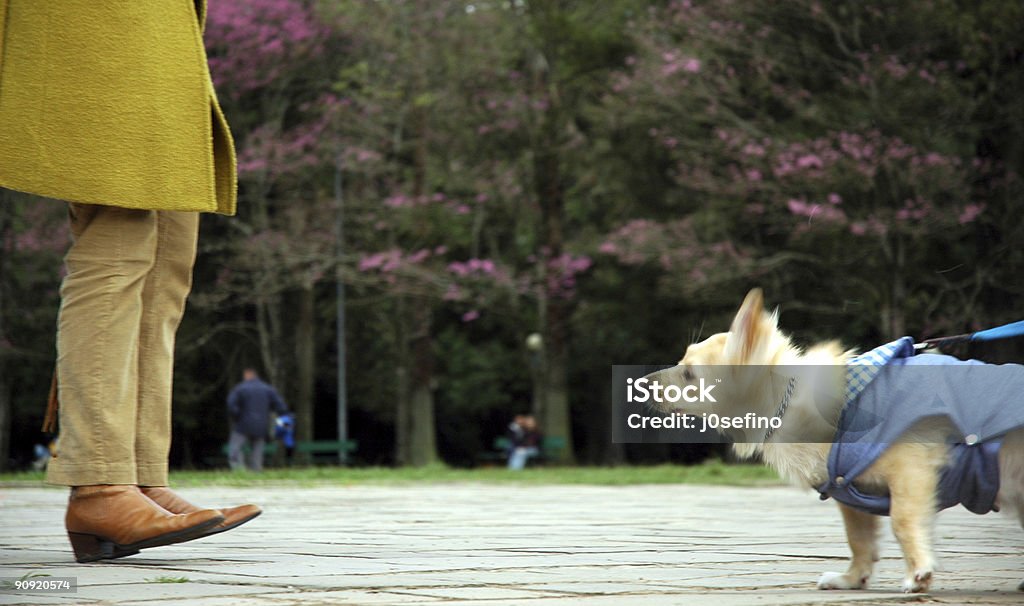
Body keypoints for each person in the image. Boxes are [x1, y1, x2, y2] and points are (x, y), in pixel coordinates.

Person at [0, 2, 260, 562]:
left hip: (161, 30)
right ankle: (98, 481)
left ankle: (137, 476)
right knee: (118, 235)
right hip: (97, 22)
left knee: (168, 258)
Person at [227, 369, 289, 472]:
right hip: (262, 425)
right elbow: (281, 407)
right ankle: (256, 470)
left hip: (243, 424)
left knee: (235, 447)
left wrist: (236, 416)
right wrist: (280, 419)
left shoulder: (240, 388)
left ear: (246, 376)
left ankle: (239, 470)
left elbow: (231, 405)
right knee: (257, 449)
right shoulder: (268, 389)